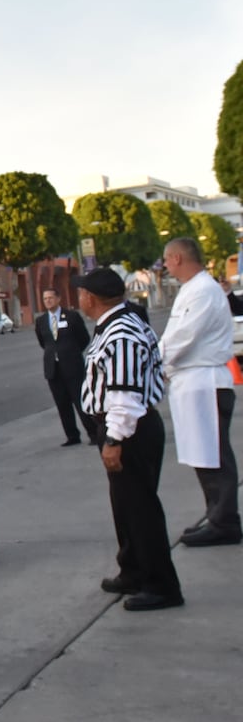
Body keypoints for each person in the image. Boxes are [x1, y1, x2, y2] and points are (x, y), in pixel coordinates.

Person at [74, 267, 183, 610]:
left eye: (81, 293)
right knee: (125, 508)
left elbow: (124, 393)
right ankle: (133, 570)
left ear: (91, 298)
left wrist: (113, 439)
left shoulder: (121, 333)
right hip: (127, 427)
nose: (78, 299)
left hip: (129, 429)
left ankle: (161, 586)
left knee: (141, 510)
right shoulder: (119, 324)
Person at [158, 237, 240, 547]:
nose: (165, 265)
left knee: (215, 456)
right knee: (203, 456)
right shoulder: (192, 289)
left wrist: (154, 363)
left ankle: (225, 522)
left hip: (206, 383)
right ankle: (217, 515)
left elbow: (182, 337)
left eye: (166, 260)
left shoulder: (203, 291)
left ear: (177, 258)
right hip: (193, 383)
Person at [33, 287, 91, 446]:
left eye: (51, 298)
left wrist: (71, 352)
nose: (48, 301)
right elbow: (43, 343)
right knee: (62, 404)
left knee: (80, 401)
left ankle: (92, 433)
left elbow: (84, 338)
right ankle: (72, 436)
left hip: (73, 367)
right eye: (45, 299)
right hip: (54, 369)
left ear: (58, 299)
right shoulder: (41, 321)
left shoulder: (72, 317)